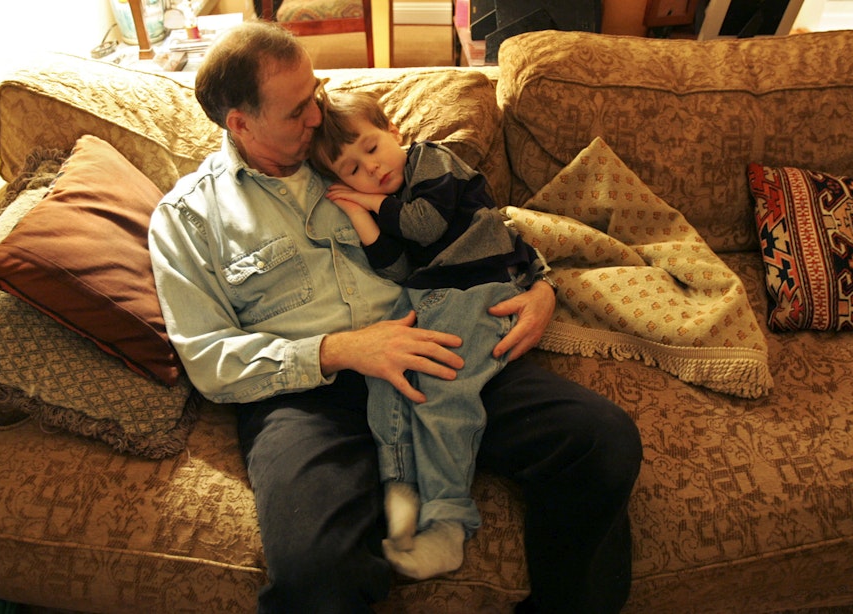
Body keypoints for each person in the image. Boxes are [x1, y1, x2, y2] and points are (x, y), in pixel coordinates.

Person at [147, 20, 643, 614]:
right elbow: (207, 357)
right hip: (312, 396)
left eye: (318, 94)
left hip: (441, 345)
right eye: (298, 110)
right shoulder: (188, 219)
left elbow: (475, 222)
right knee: (315, 578)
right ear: (240, 123)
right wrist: (342, 349)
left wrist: (539, 285)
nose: (316, 117)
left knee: (602, 442)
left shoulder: (351, 149)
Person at [309, 89, 542, 579]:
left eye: (371, 149)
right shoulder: (382, 202)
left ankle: (448, 522)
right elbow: (396, 267)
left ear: (393, 132)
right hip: (428, 295)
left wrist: (369, 200)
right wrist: (357, 214)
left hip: (480, 287)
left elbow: (423, 224)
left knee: (442, 394)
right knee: (388, 380)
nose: (369, 169)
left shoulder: (431, 161)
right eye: (350, 169)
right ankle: (401, 491)